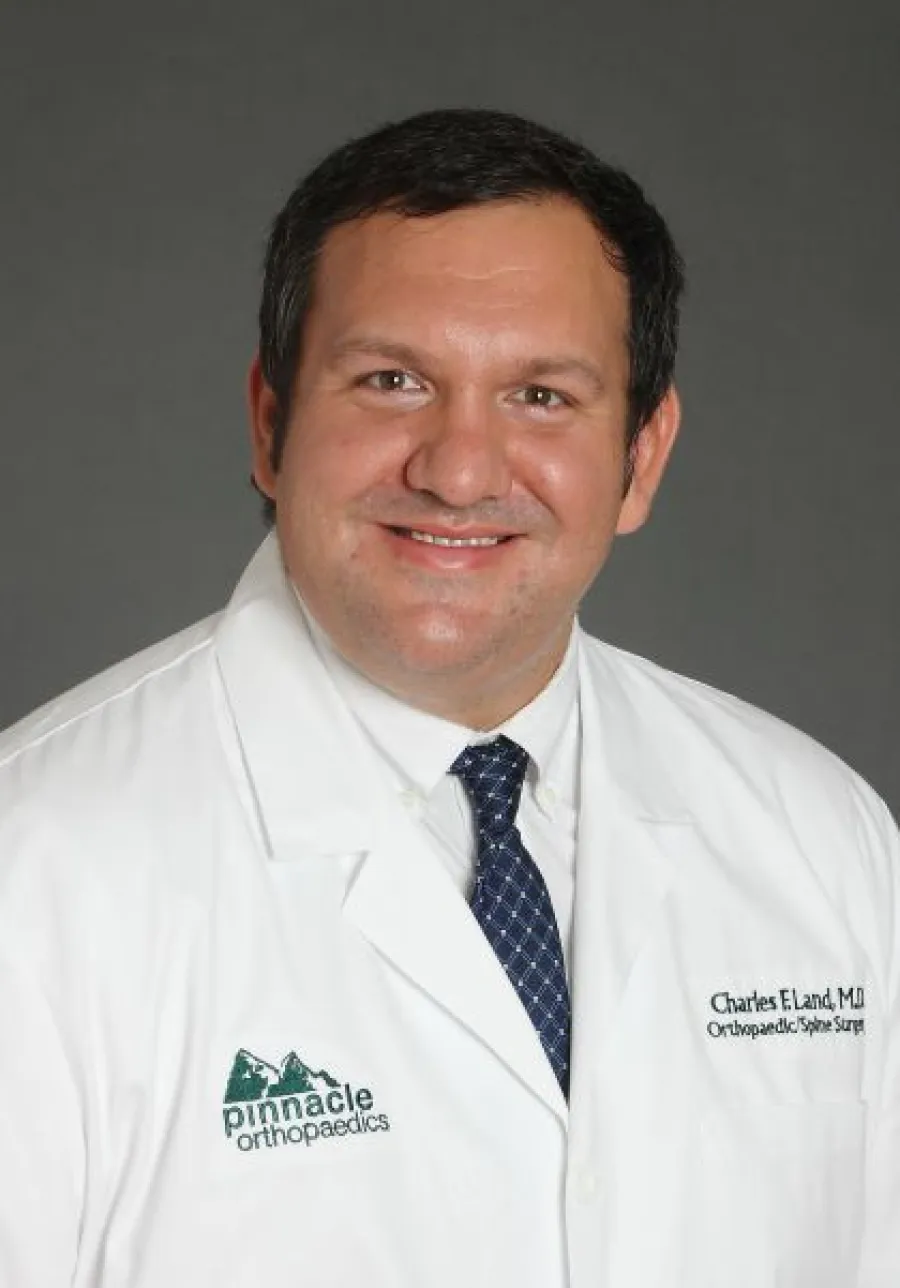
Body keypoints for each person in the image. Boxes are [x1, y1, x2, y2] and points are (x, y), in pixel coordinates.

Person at [0, 107, 896, 1288]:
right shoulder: (36, 867)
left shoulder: (820, 839)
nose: (460, 471)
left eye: (542, 396)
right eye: (392, 380)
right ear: (271, 424)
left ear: (642, 456)